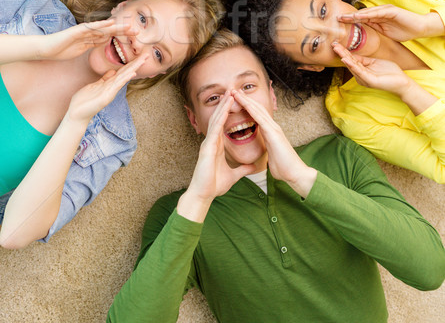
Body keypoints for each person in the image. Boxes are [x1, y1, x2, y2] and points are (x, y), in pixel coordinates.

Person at [106, 29, 445, 323]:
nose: (235, 106)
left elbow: (429, 269)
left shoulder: (340, 157)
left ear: (271, 95)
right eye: (214, 98)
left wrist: (304, 179)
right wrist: (197, 201)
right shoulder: (177, 214)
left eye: (247, 87)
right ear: (194, 120)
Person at [0, 0, 222, 248]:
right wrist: (42, 48)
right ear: (122, 5)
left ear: (155, 74)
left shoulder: (113, 141)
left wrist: (75, 120)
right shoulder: (31, 2)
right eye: (142, 19)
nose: (138, 42)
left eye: (157, 54)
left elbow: (13, 234)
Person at [237, 0, 445, 183]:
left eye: (323, 11)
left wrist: (427, 25)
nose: (339, 33)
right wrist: (408, 90)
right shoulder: (355, 117)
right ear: (312, 66)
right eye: (315, 44)